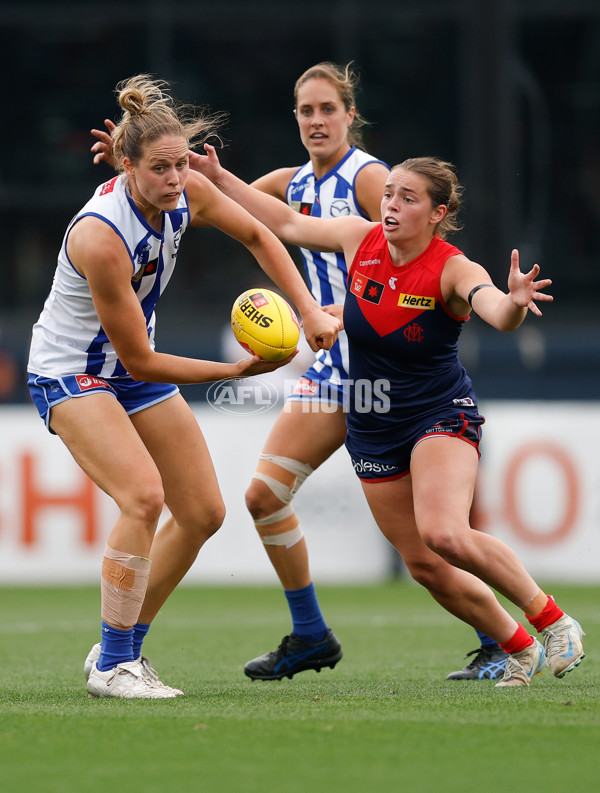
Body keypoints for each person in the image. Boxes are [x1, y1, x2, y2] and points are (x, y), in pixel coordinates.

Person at [93, 62, 507, 682]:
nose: (316, 120)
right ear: (295, 117)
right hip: (330, 372)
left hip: (384, 376)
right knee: (263, 496)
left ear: (350, 115)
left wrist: (447, 314)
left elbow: (426, 251)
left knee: (431, 544)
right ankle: (311, 633)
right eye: (305, 110)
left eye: (327, 110)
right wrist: (137, 169)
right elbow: (222, 213)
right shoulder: (294, 183)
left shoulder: (370, 181)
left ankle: (501, 635)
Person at [190, 147, 586, 688]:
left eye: (407, 198)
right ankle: (518, 648)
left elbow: (497, 312)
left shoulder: (452, 267)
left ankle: (554, 622)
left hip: (438, 413)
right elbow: (282, 220)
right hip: (371, 421)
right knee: (424, 565)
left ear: (437, 213)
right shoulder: (360, 238)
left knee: (445, 532)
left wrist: (514, 300)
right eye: (389, 194)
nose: (391, 205)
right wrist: (217, 176)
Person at [27, 74, 339, 700]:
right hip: (72, 372)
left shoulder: (184, 192)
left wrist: (306, 309)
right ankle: (114, 665)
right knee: (143, 497)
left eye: (180, 166)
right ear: (127, 165)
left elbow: (258, 232)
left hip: (126, 372)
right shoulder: (101, 237)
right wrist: (229, 373)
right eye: (160, 169)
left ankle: (122, 648)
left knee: (202, 512)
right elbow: (140, 360)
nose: (175, 180)